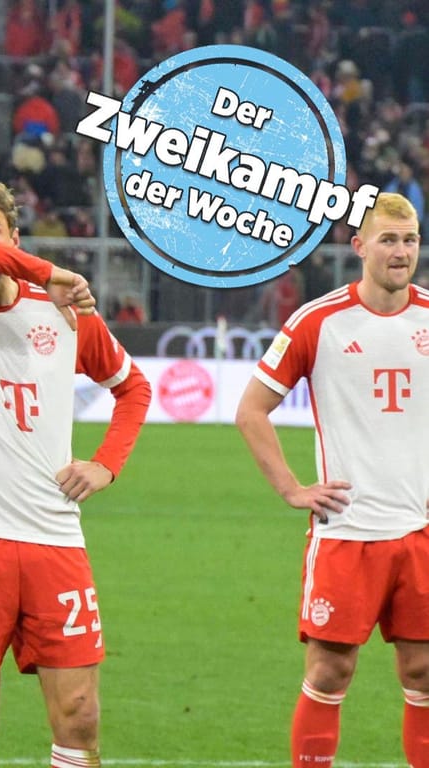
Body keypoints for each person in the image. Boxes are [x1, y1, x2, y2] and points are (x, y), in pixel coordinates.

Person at [0, 178, 150, 768]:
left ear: (13, 238)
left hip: (54, 537)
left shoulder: (63, 313)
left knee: (80, 715)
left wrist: (105, 465)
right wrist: (48, 269)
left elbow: (133, 388)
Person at [235, 191, 429, 767]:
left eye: (411, 240)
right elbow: (251, 410)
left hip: (420, 531)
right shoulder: (317, 321)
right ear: (359, 246)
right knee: (329, 670)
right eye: (388, 240)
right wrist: (292, 487)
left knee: (422, 670)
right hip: (348, 533)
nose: (401, 252)